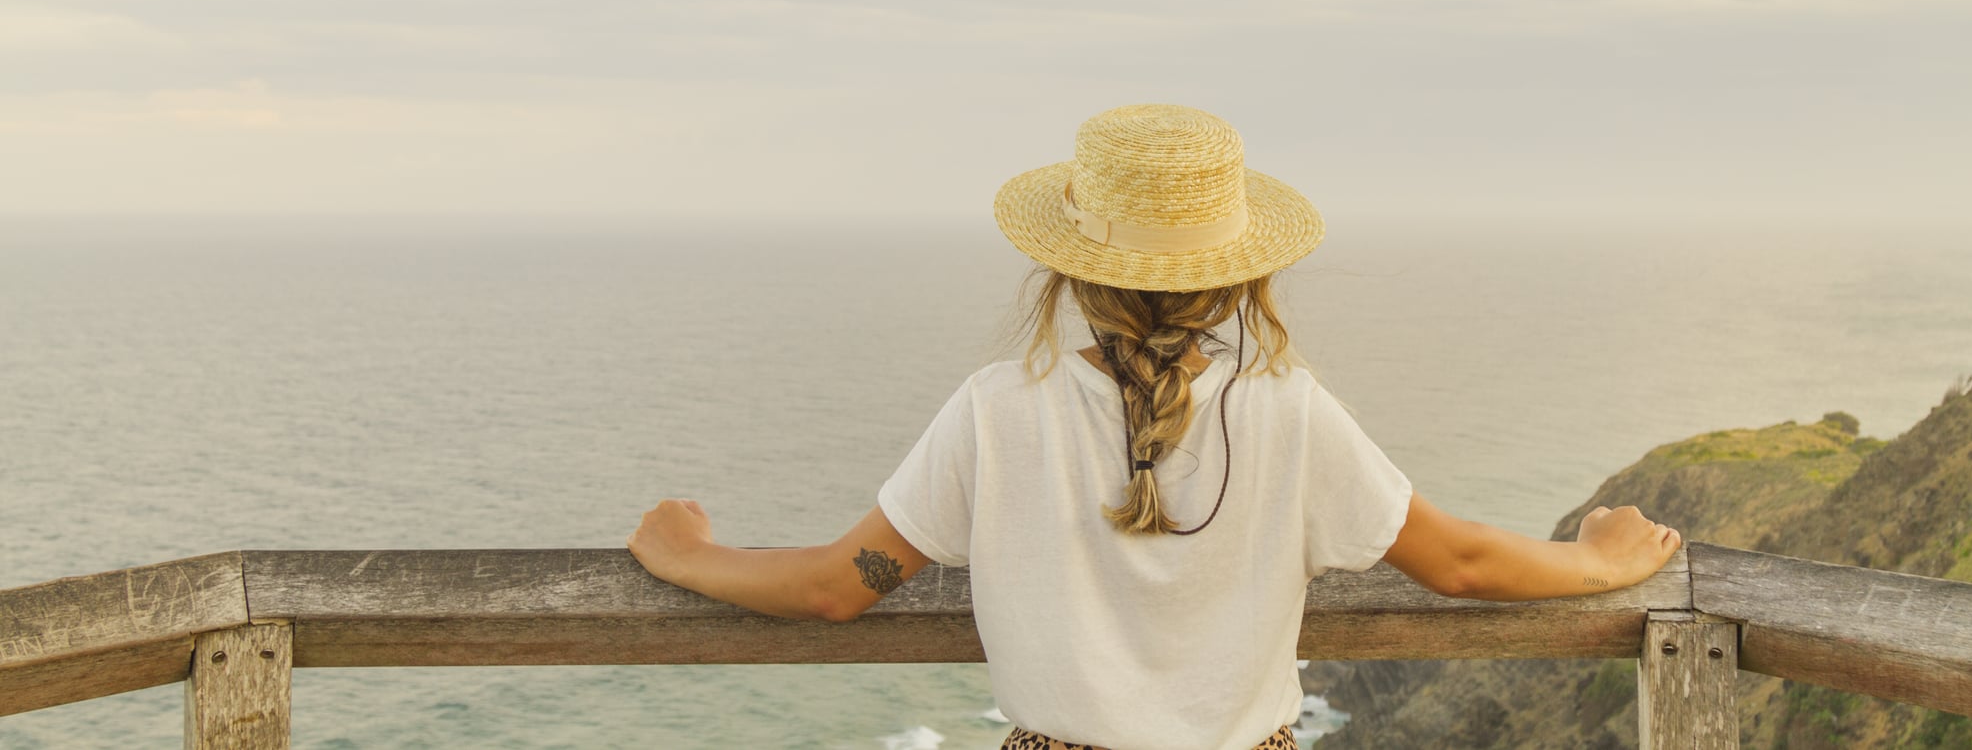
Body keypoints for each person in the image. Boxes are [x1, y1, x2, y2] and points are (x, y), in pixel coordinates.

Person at [628, 103, 1683, 750]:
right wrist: (1592, 563)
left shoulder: (1000, 411)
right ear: (1243, 276)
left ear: (1067, 270)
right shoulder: (1285, 410)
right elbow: (1454, 564)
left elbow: (831, 590)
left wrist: (690, 556)